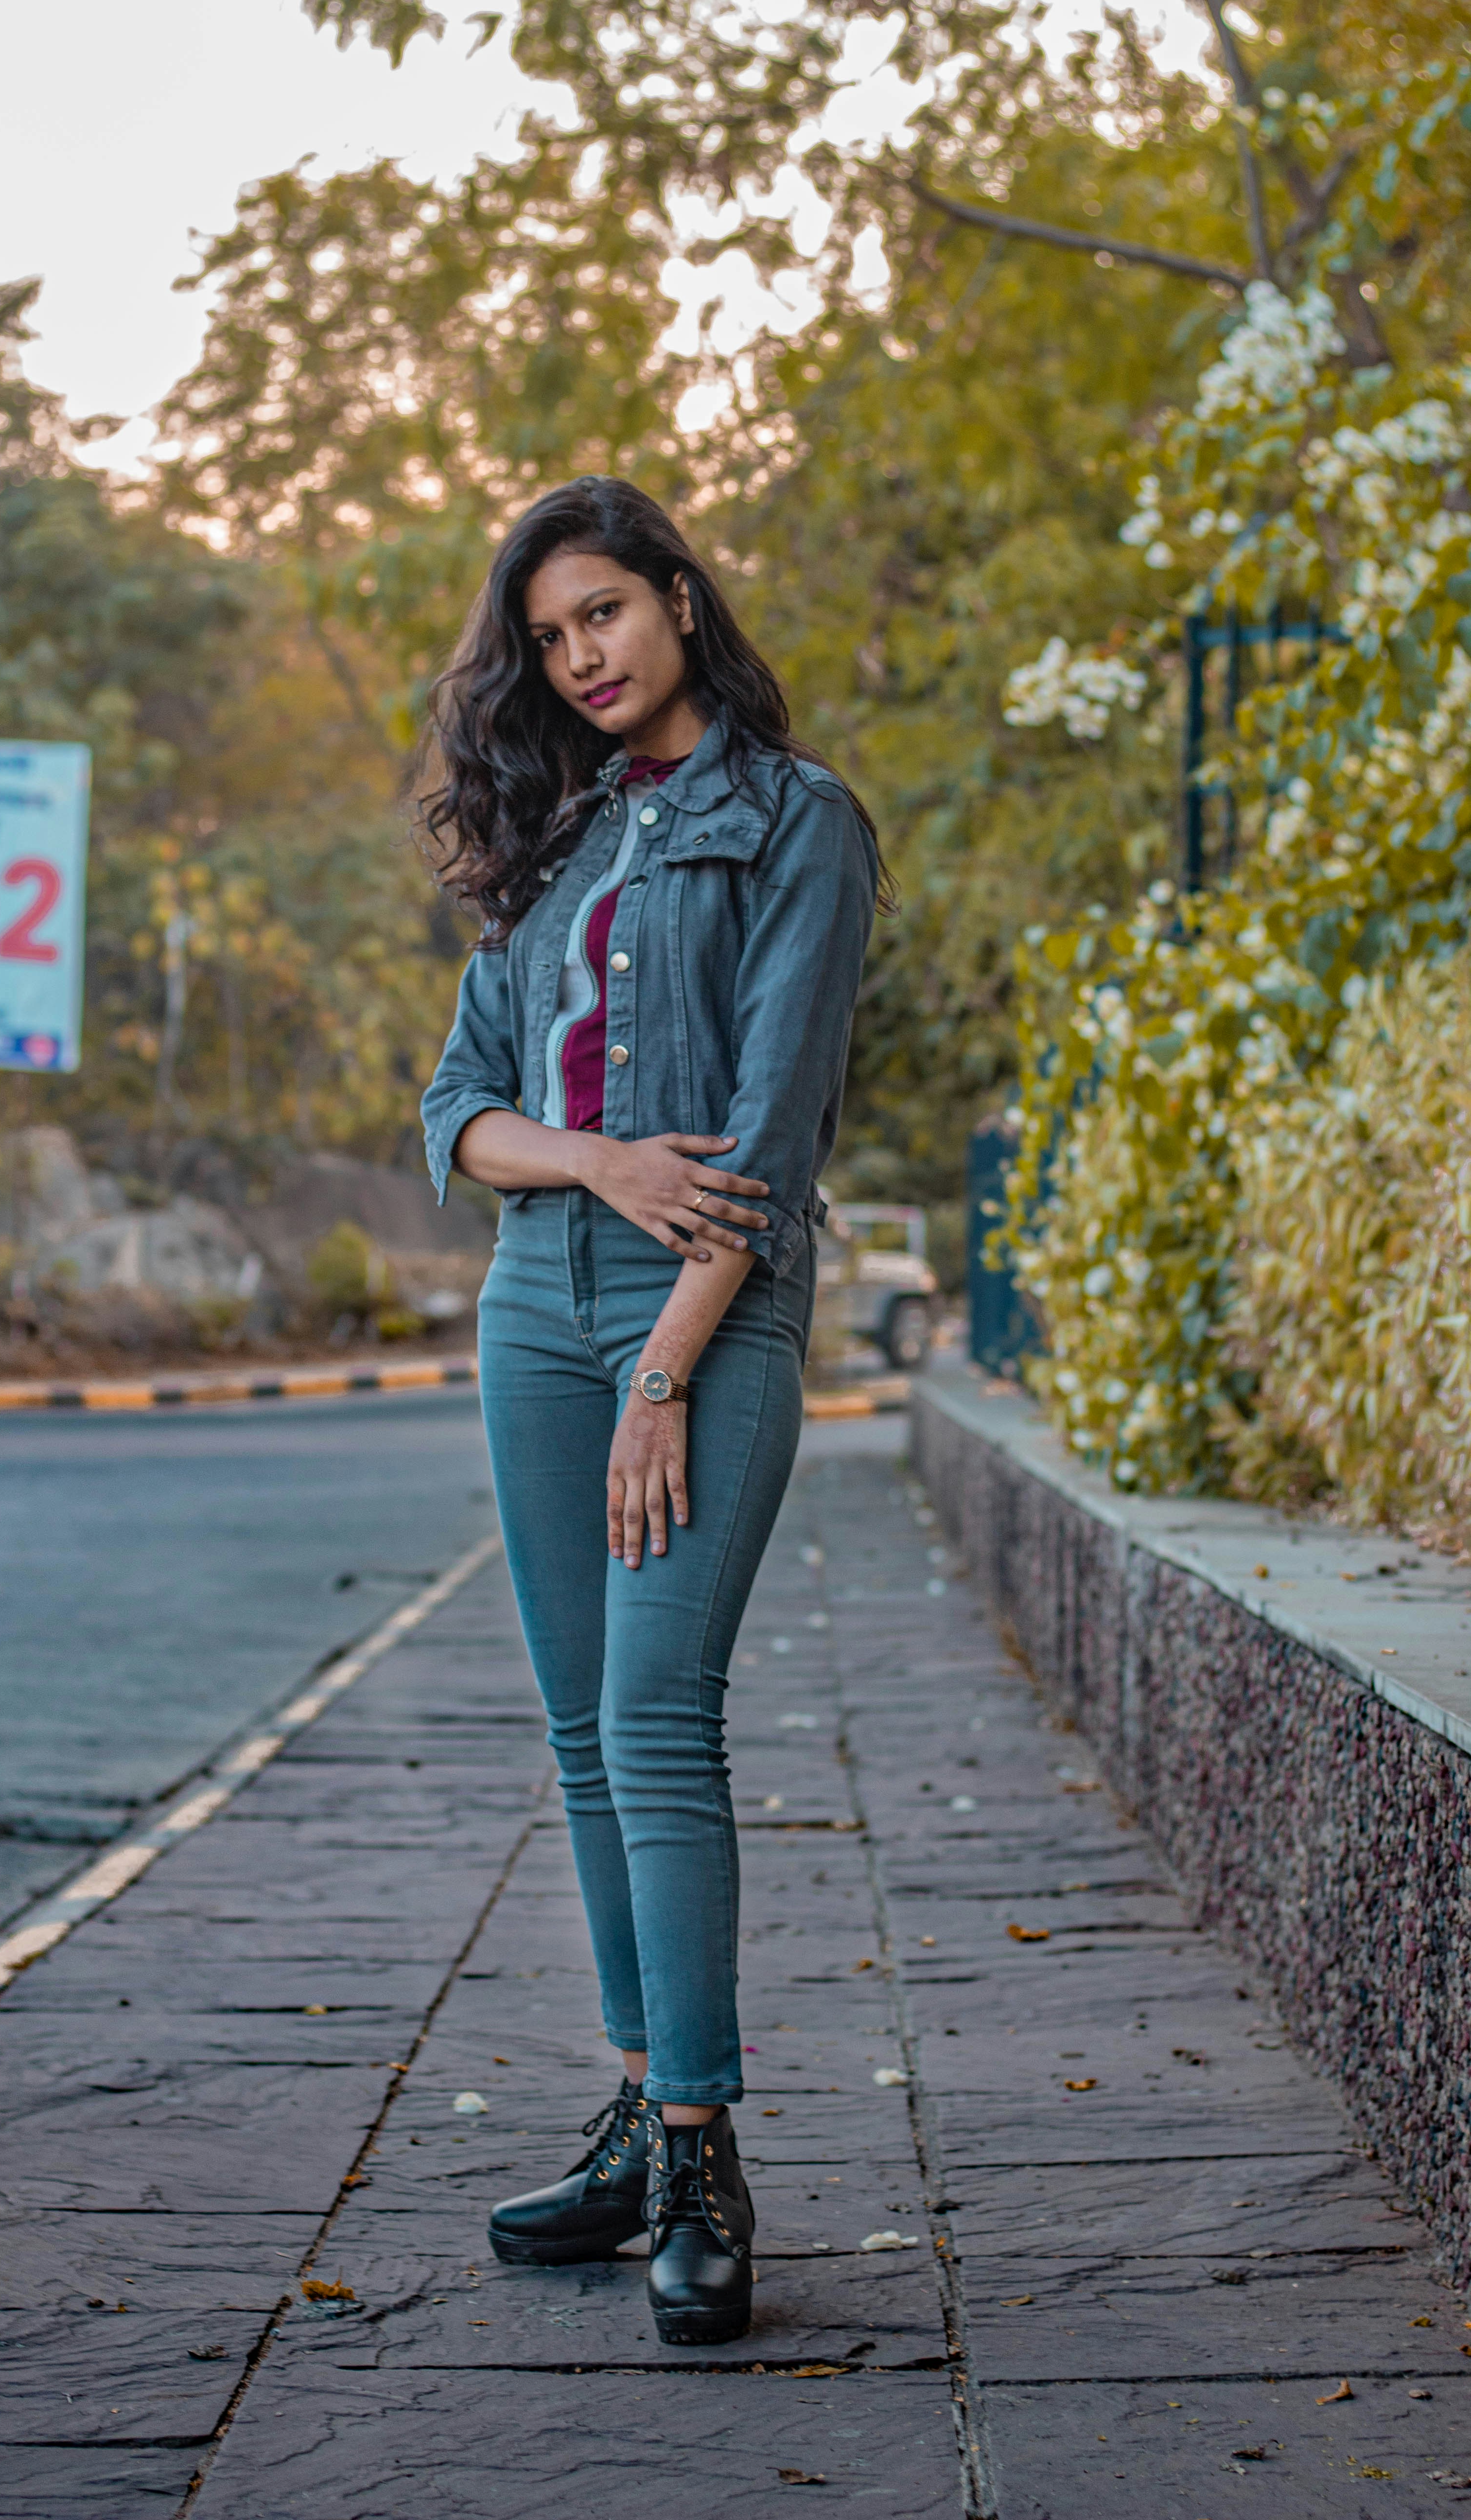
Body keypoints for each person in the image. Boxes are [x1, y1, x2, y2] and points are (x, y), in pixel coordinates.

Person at [418, 475, 882, 2346]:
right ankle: (635, 2110)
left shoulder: (800, 823)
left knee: (656, 1715)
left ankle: (702, 2154)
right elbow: (458, 1111)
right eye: (547, 638)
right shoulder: (561, 844)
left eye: (603, 613)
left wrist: (669, 1374)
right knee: (582, 1737)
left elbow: (768, 1146)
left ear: (681, 598)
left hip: (711, 1314)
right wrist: (601, 1163)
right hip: (538, 1303)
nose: (580, 657)